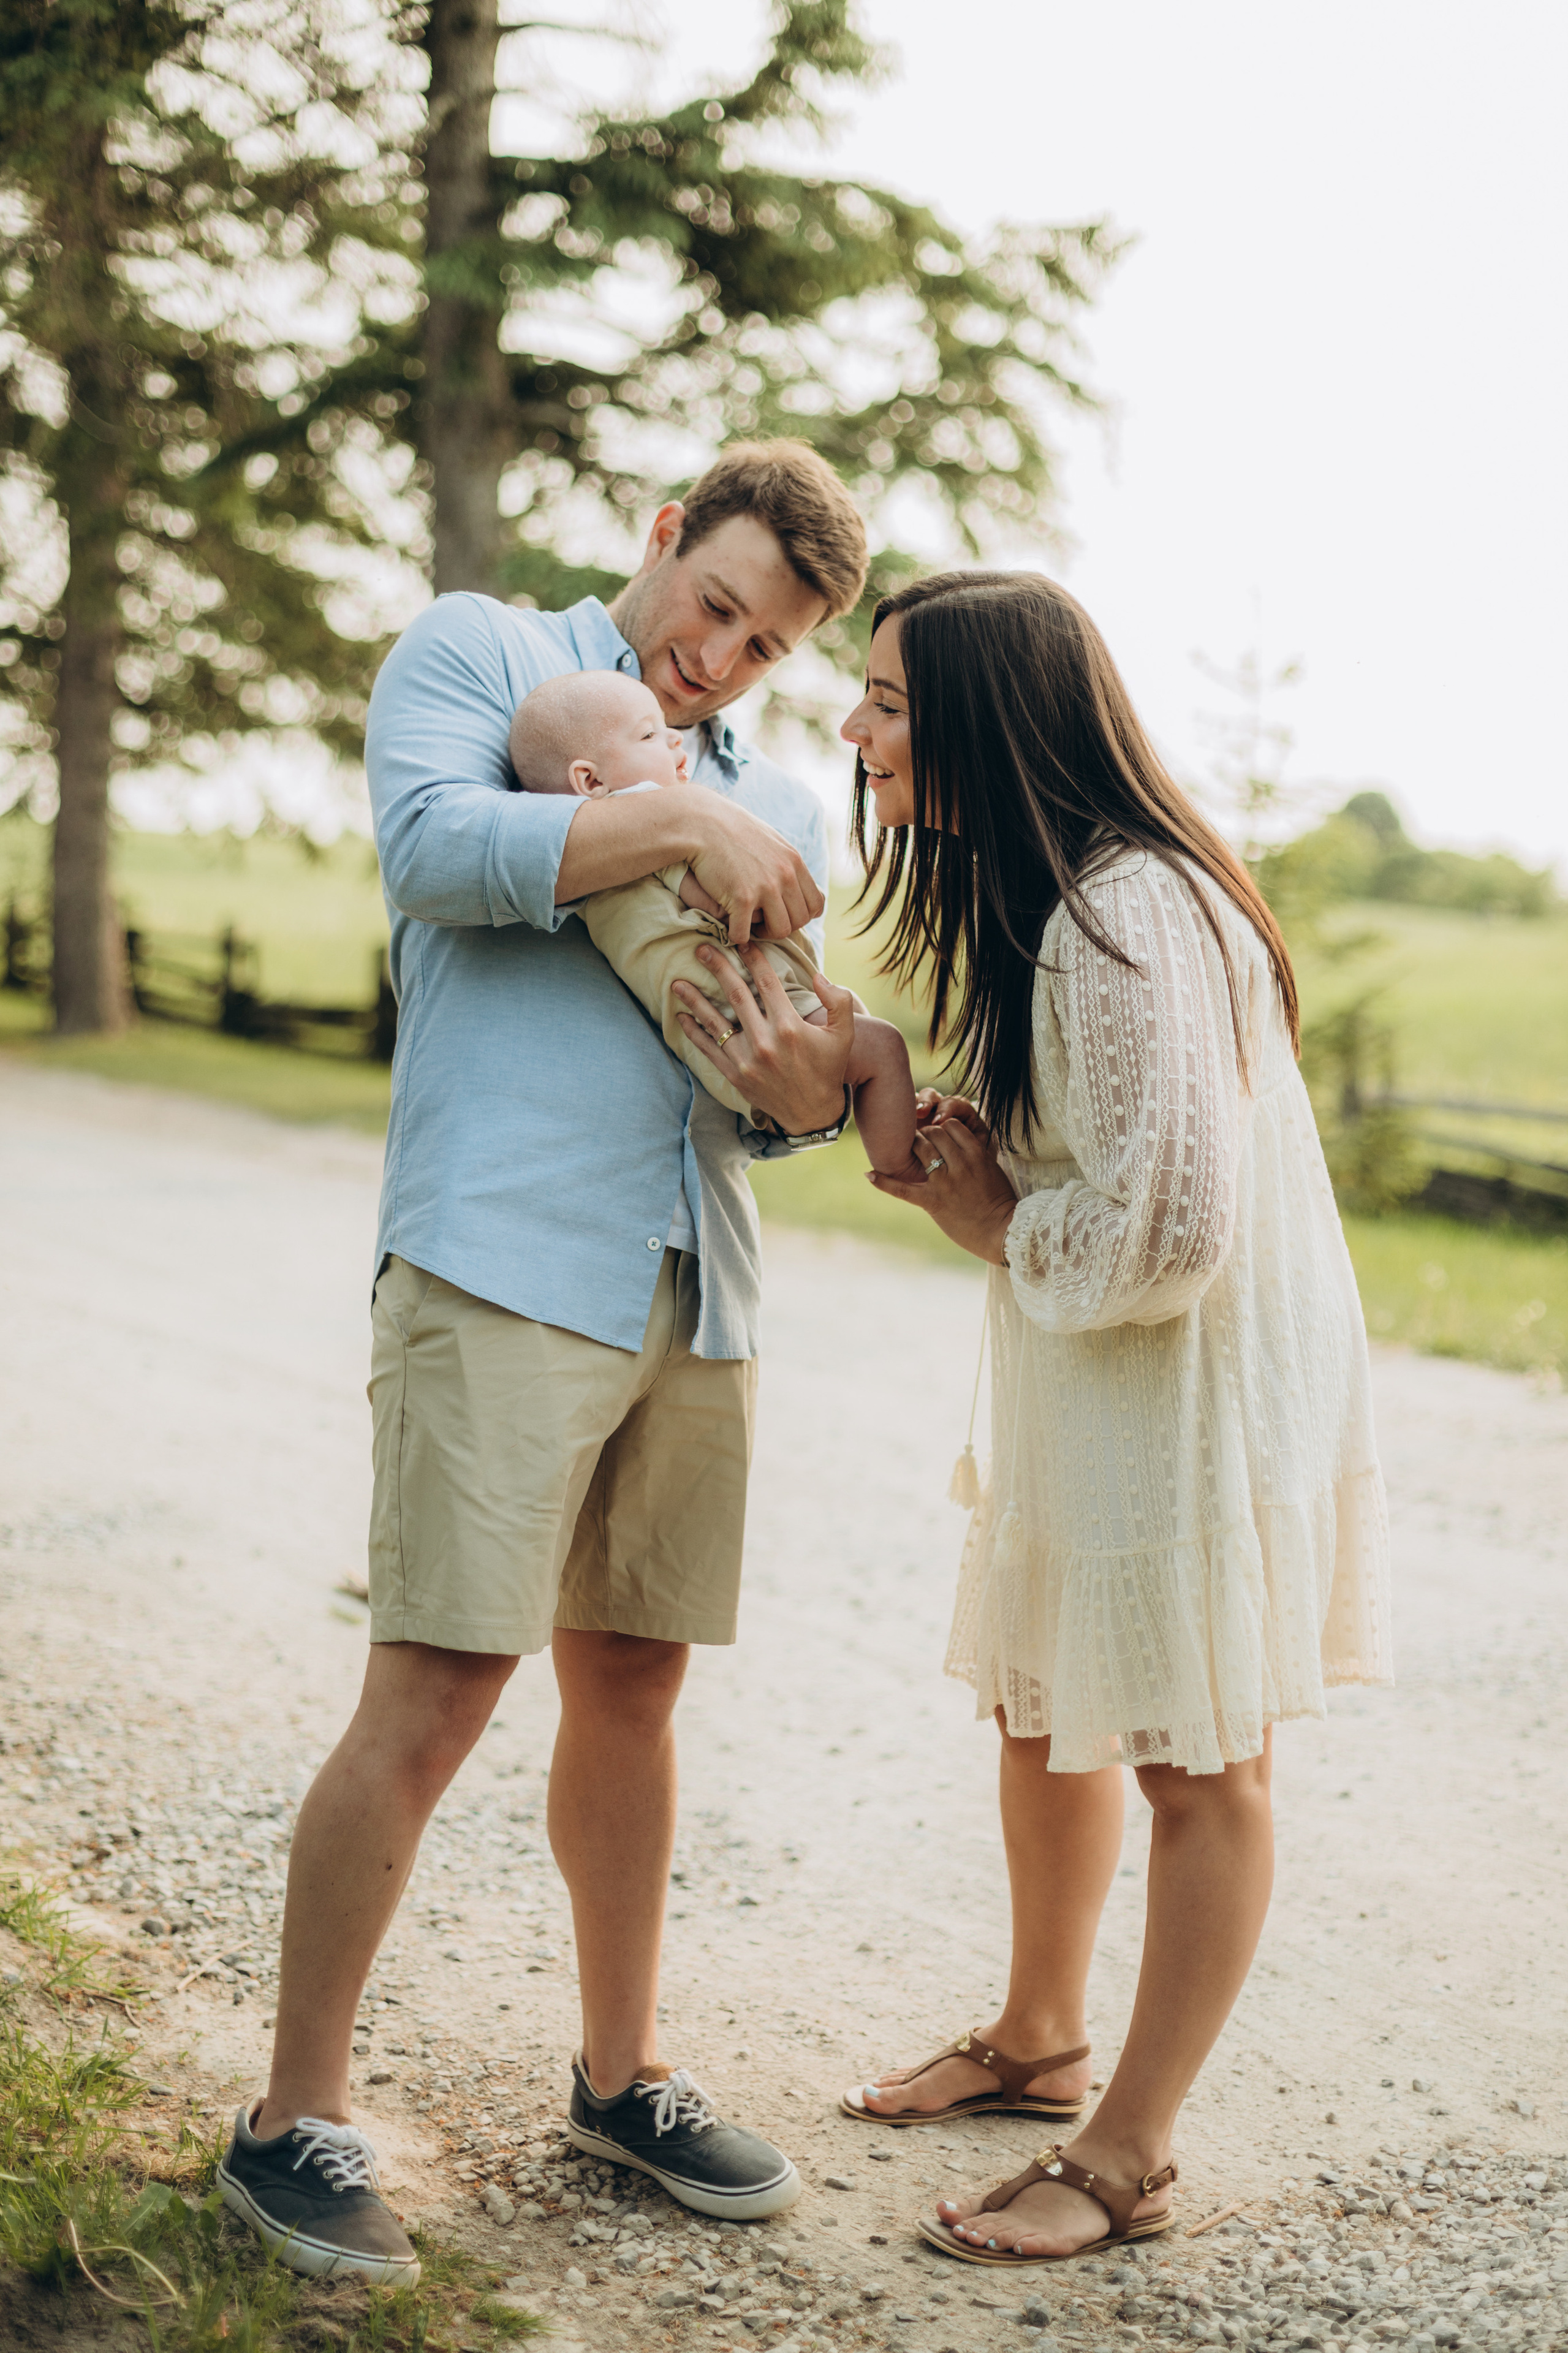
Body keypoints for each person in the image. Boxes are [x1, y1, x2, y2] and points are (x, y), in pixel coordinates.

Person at [218, 441, 866, 2283]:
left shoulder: (782, 799)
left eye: (762, 648)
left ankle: (619, 2070)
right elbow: (431, 852)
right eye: (713, 605)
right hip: (502, 1255)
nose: (719, 663)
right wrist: (675, 822)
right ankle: (288, 2115)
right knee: (430, 1684)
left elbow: (778, 1092)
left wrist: (812, 1093)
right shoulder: (485, 654)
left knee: (638, 1687)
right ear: (661, 537)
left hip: (696, 1280)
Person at [714, 568, 1390, 2267]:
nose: (858, 731)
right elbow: (1099, 1160)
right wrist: (934, 1130)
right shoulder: (1054, 899)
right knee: (1045, 1704)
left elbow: (1173, 1228)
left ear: (982, 721)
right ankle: (1040, 2038)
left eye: (885, 701)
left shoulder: (1126, 913)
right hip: (1100, 1368)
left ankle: (1133, 2153)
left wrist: (998, 1223)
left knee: (1196, 1761)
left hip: (1188, 1380)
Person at [507, 667, 922, 1177]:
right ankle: (907, 1167)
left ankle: (906, 1130)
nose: (673, 736)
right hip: (754, 1023)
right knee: (884, 1046)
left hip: (728, 1039)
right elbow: (737, 908)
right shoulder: (651, 822)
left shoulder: (591, 872)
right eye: (649, 734)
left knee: (860, 1030)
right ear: (591, 781)